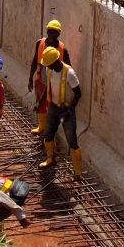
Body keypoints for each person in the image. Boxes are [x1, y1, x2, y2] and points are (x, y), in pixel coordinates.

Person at [39, 47, 83, 180]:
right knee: (48, 134)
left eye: (49, 64)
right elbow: (48, 86)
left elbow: (78, 93)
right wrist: (40, 101)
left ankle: (77, 172)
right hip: (53, 108)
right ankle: (50, 159)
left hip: (66, 110)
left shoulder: (69, 73)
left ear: (56, 61)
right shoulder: (49, 70)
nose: (47, 67)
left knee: (71, 140)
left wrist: (69, 110)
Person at [28, 20, 71, 137]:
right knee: (40, 104)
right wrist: (30, 78)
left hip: (54, 84)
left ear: (58, 33)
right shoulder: (40, 43)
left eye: (54, 32)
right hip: (41, 80)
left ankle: (50, 132)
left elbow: (68, 68)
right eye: (49, 31)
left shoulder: (62, 49)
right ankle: (41, 127)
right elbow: (34, 61)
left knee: (52, 107)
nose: (51, 34)